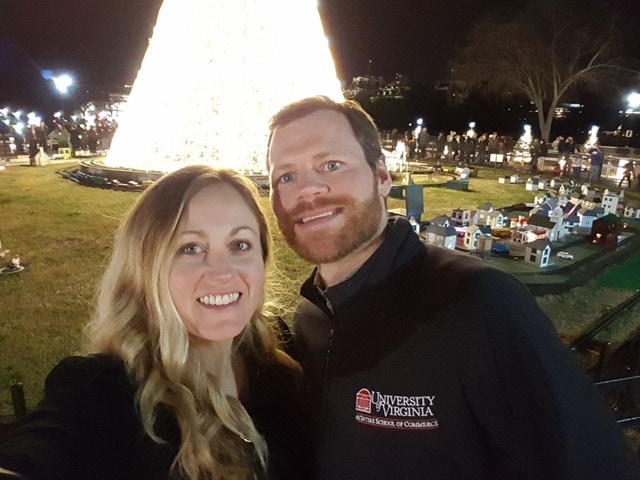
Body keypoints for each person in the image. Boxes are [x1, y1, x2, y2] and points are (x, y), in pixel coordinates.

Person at [265, 95, 640, 480]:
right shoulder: (309, 320)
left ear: (381, 177)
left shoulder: (478, 304)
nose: (308, 190)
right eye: (286, 177)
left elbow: (595, 466)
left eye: (331, 165)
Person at [0, 165, 308, 480]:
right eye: (191, 248)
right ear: (145, 269)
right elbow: (40, 450)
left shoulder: (276, 354)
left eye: (239, 245)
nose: (223, 273)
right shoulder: (105, 389)